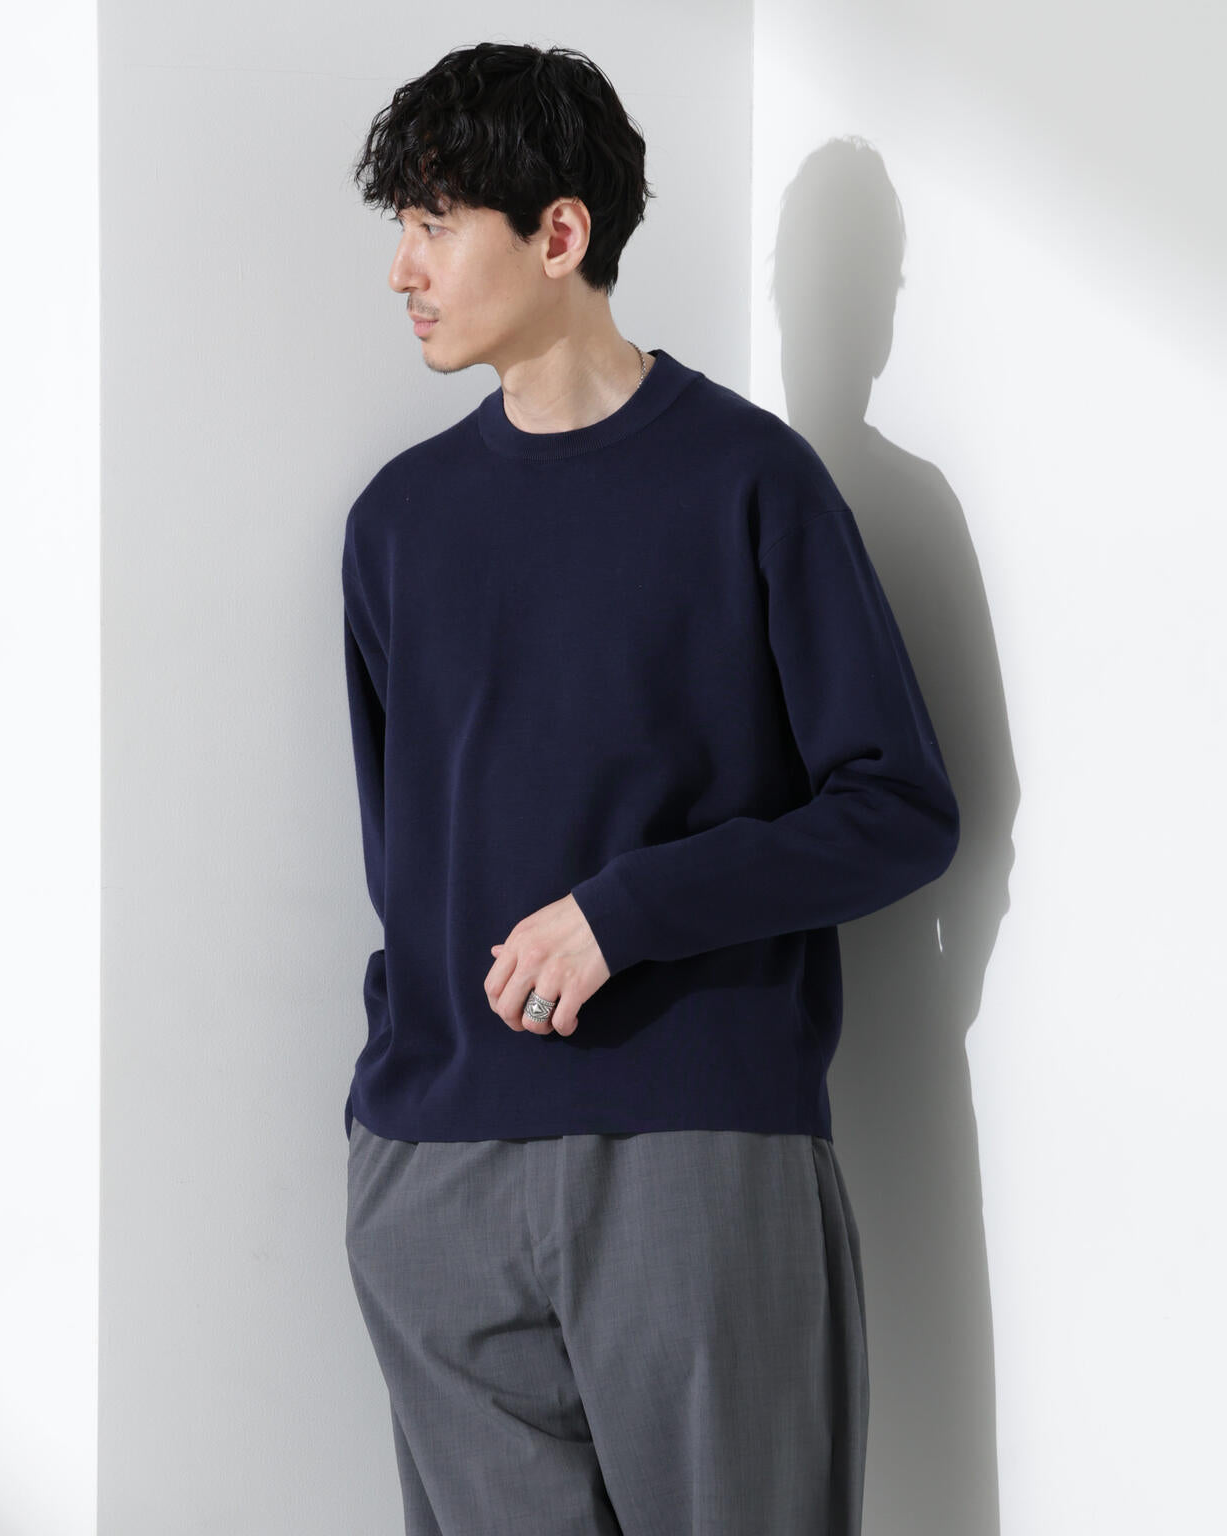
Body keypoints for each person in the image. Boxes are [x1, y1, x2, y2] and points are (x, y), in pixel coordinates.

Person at [339, 40, 959, 1536]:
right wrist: (389, 1133)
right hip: (434, 1168)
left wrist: (627, 913)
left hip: (693, 1155)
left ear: (559, 233)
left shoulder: (753, 483)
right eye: (403, 227)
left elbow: (895, 806)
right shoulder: (397, 524)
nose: (403, 270)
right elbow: (402, 850)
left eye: (436, 224)